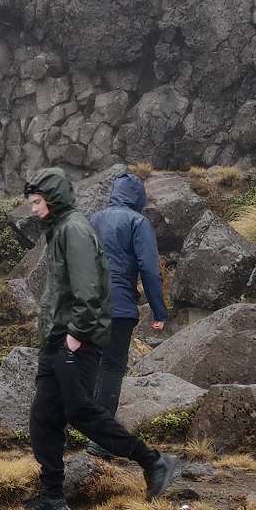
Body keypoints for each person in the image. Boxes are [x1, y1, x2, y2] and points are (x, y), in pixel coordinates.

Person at [21, 167, 177, 510]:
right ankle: (52, 495)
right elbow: (146, 268)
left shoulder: (82, 225)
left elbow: (89, 285)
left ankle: (152, 461)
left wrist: (76, 334)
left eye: (37, 201)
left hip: (79, 332)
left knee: (80, 408)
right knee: (45, 414)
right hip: (72, 330)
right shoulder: (80, 227)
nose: (32, 209)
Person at [86, 172, 169, 456]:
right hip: (118, 308)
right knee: (111, 368)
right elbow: (149, 268)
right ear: (138, 196)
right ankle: (101, 441)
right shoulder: (137, 222)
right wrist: (159, 311)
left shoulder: (93, 219)